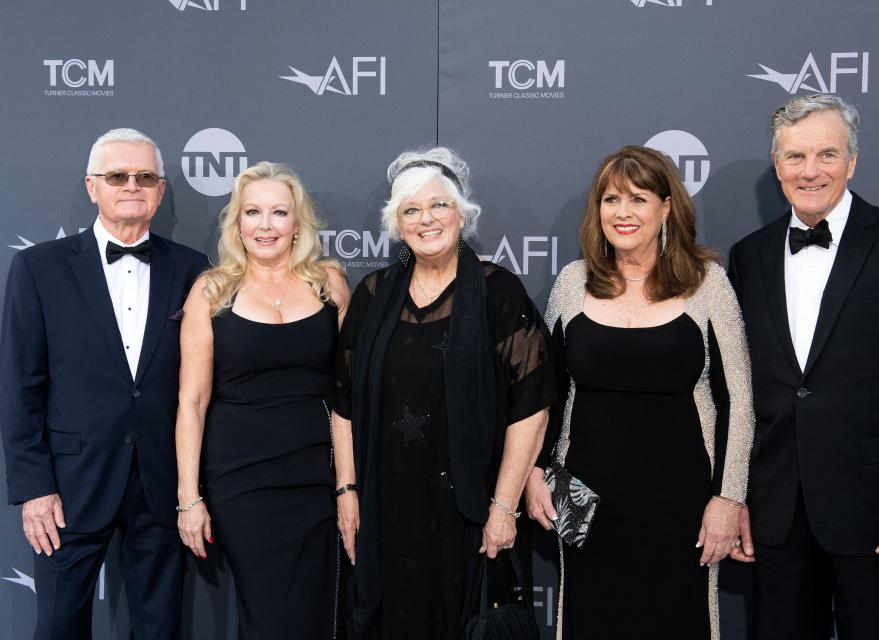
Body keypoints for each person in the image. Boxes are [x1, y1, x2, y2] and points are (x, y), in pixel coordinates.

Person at [727, 94, 879, 639]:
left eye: (827, 155)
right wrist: (735, 495)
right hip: (776, 515)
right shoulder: (748, 255)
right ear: (776, 163)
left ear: (852, 162)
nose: (810, 171)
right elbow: (736, 390)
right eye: (795, 157)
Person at [525, 145, 755, 639]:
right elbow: (545, 394)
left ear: (667, 207)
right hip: (583, 500)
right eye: (611, 200)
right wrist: (536, 473)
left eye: (638, 198)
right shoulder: (572, 283)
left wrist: (728, 499)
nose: (623, 213)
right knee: (589, 621)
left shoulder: (706, 283)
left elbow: (738, 401)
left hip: (683, 505)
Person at [330, 147, 556, 639]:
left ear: (461, 213)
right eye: (411, 210)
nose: (426, 219)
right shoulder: (372, 293)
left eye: (439, 205)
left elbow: (532, 407)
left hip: (469, 515)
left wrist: (502, 507)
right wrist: (347, 492)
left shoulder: (499, 293)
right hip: (385, 510)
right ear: (397, 223)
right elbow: (343, 402)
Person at [0, 128, 208, 638]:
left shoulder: (192, 269)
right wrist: (34, 487)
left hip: (160, 484)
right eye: (117, 176)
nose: (131, 185)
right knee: (58, 626)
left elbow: (201, 384)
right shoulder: (39, 268)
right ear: (92, 187)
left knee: (159, 627)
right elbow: (19, 385)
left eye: (145, 177)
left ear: (160, 191)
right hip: (69, 487)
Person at [175, 161, 349, 638]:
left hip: (315, 473)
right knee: (267, 613)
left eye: (279, 212)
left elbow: (346, 395)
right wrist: (189, 497)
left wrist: (347, 485)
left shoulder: (328, 284)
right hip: (240, 479)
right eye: (253, 212)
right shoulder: (212, 292)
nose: (266, 225)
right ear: (237, 223)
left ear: (298, 223)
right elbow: (191, 401)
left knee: (317, 610)